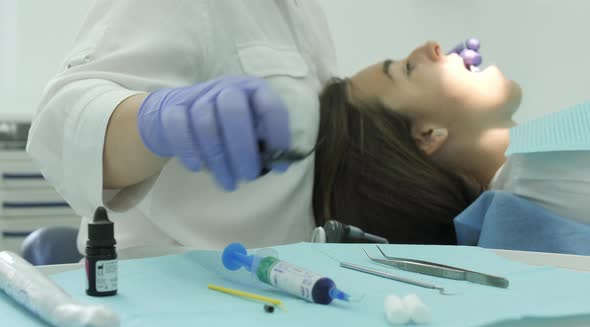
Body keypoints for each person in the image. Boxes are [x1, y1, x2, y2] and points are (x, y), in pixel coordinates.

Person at [27, 0, 338, 254]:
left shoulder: (308, 12)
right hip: (170, 292)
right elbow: (62, 119)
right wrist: (159, 120)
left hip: (274, 285)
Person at [313, 40, 590, 247]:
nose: (432, 46)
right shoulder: (542, 173)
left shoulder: (523, 190)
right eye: (409, 69)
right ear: (428, 135)